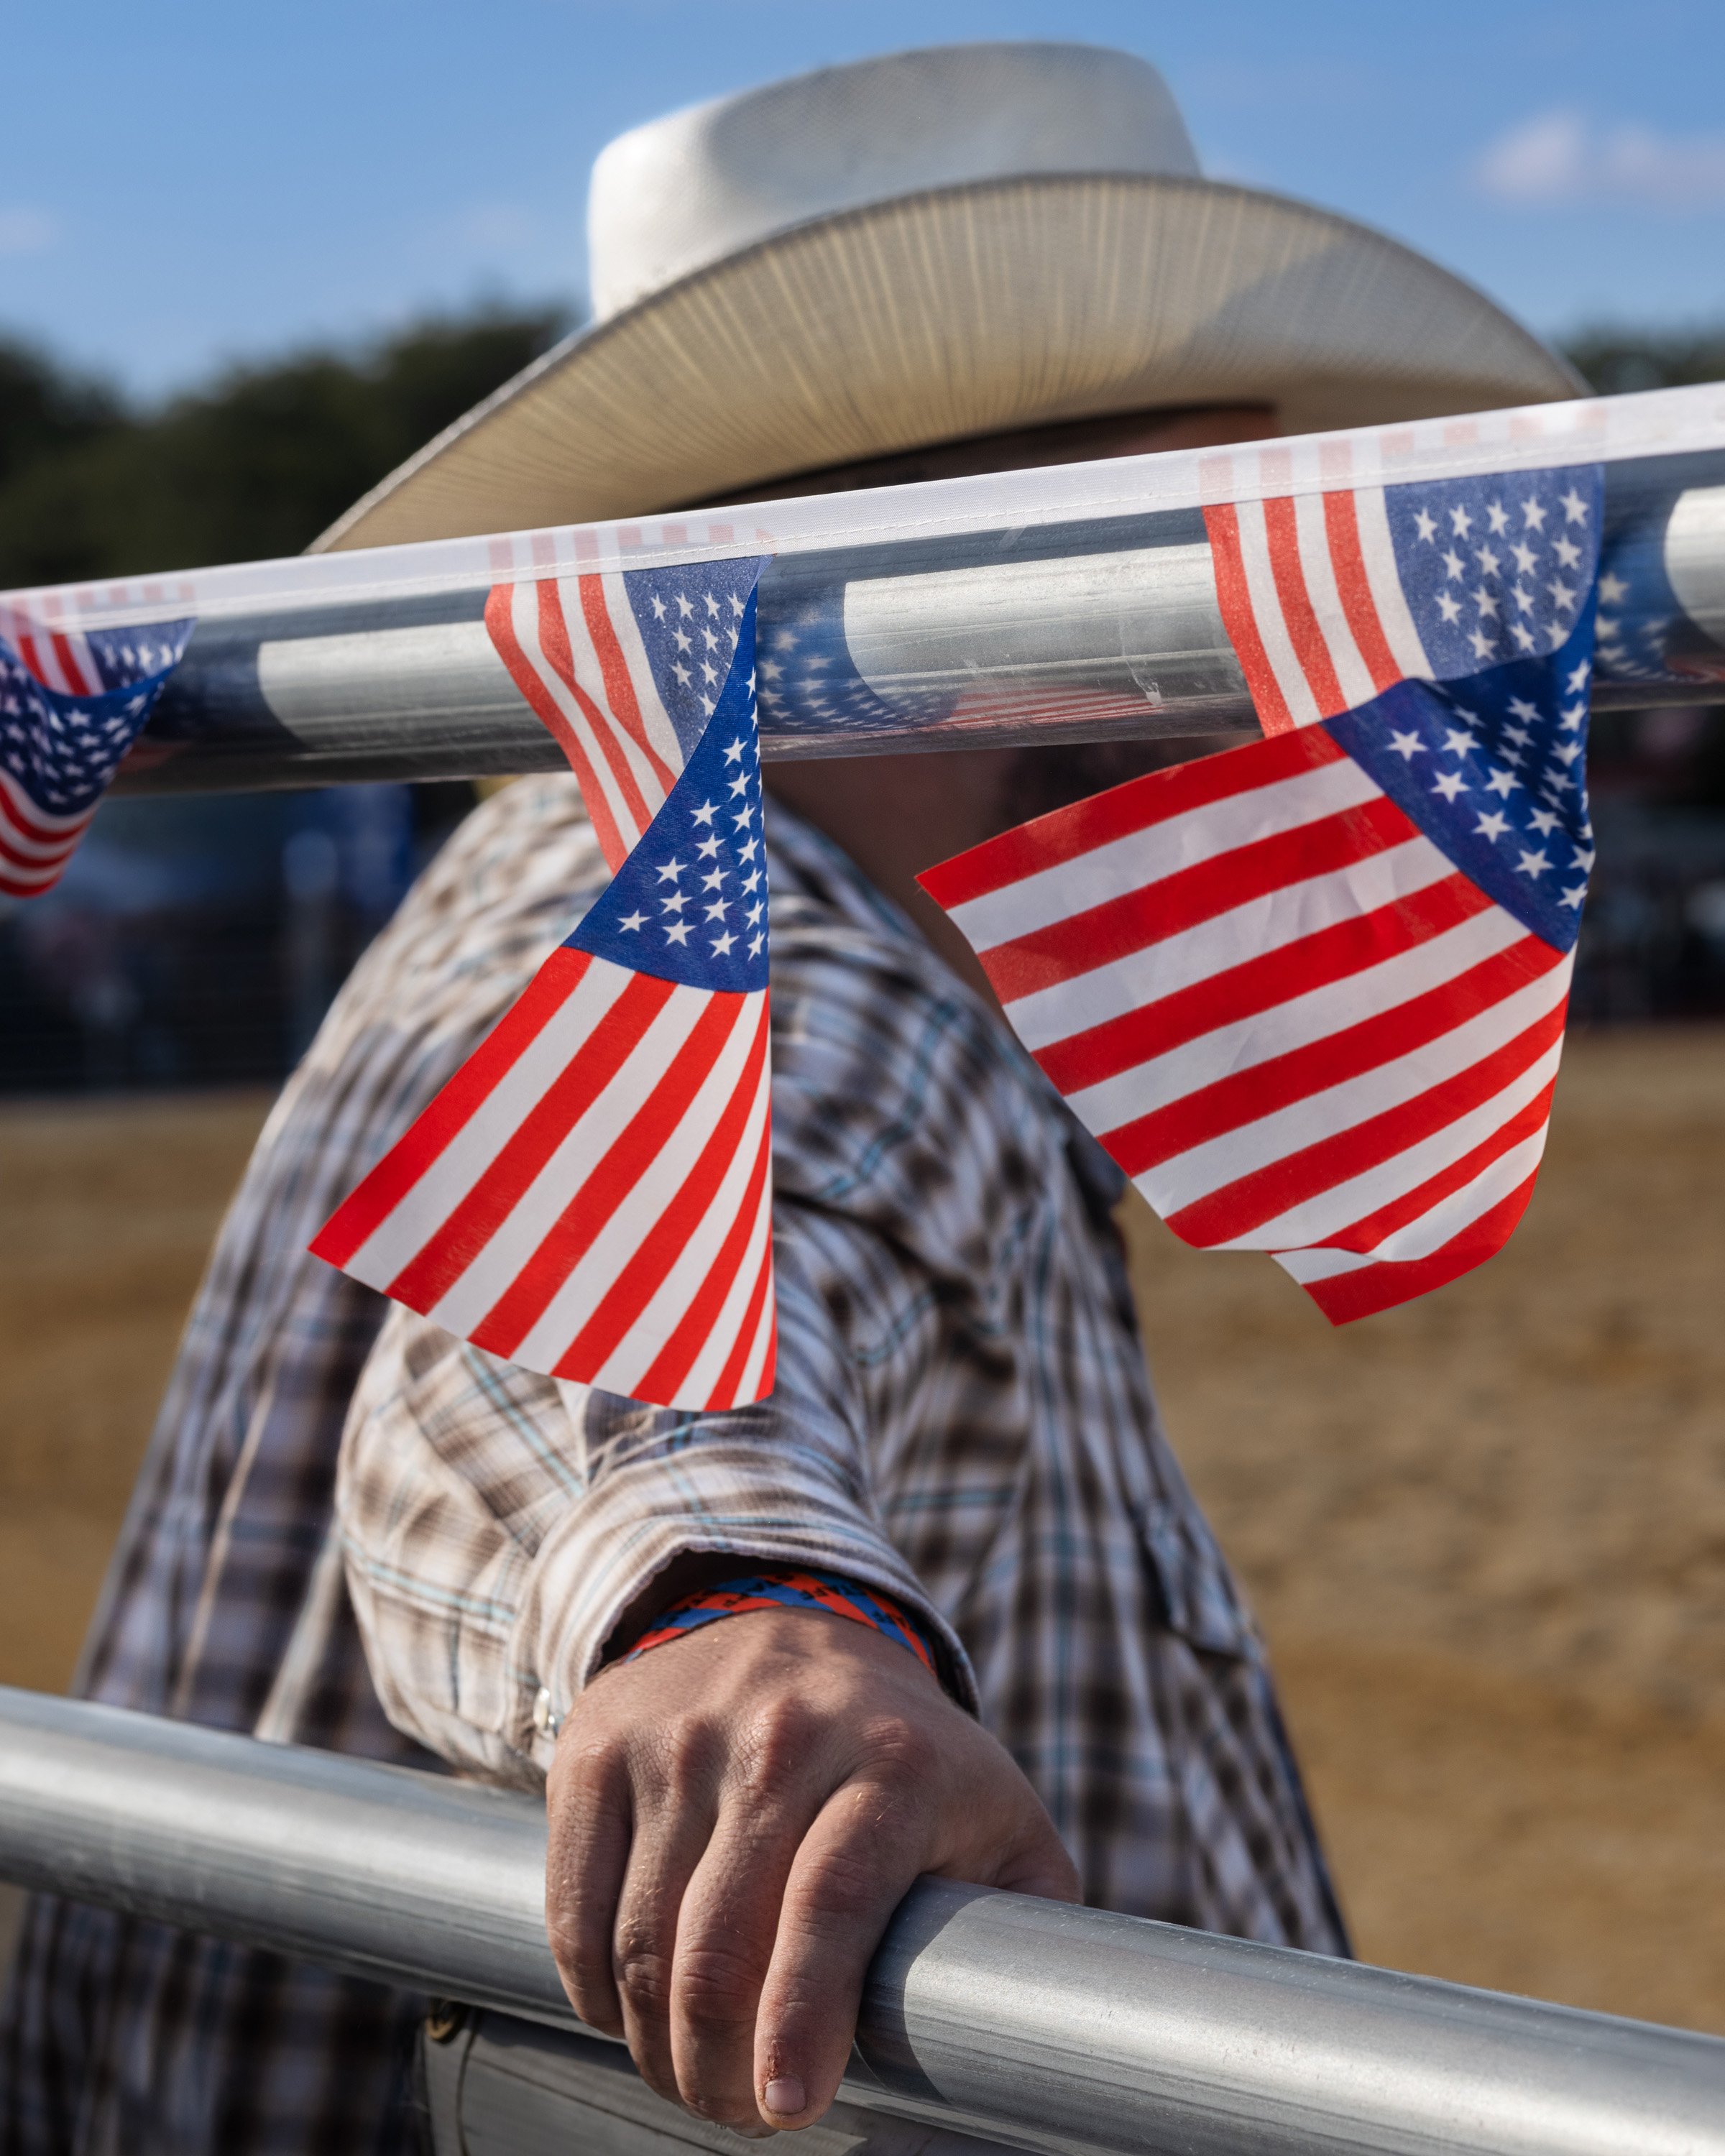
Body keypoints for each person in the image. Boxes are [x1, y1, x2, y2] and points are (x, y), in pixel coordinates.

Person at [0, 41, 1579, 2156]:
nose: (1232, 683)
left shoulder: (657, 893)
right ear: (902, 576)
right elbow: (606, 1335)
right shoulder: (774, 962)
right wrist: (736, 1609)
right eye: (1169, 576)